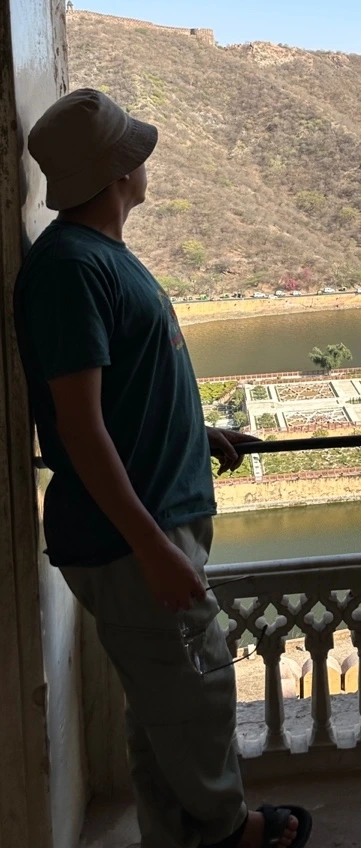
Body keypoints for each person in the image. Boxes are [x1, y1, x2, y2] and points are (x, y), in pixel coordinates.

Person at [14, 88, 312, 848]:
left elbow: (122, 394)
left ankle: (179, 837)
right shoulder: (72, 268)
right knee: (195, 696)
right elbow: (79, 428)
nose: (145, 163)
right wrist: (151, 548)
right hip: (131, 540)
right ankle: (231, 833)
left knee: (160, 713)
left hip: (142, 525)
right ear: (117, 171)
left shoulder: (94, 258)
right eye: (134, 154)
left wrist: (195, 431)